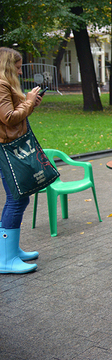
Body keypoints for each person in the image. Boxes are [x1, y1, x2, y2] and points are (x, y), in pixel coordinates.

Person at [0, 47, 43, 274]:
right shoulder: (0, 84)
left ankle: (11, 250)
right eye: (17, 67)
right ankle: (5, 259)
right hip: (6, 149)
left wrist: (30, 104)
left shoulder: (5, 86)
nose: (19, 72)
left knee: (20, 198)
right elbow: (8, 119)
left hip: (9, 146)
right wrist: (27, 101)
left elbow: (16, 116)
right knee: (16, 199)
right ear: (7, 65)